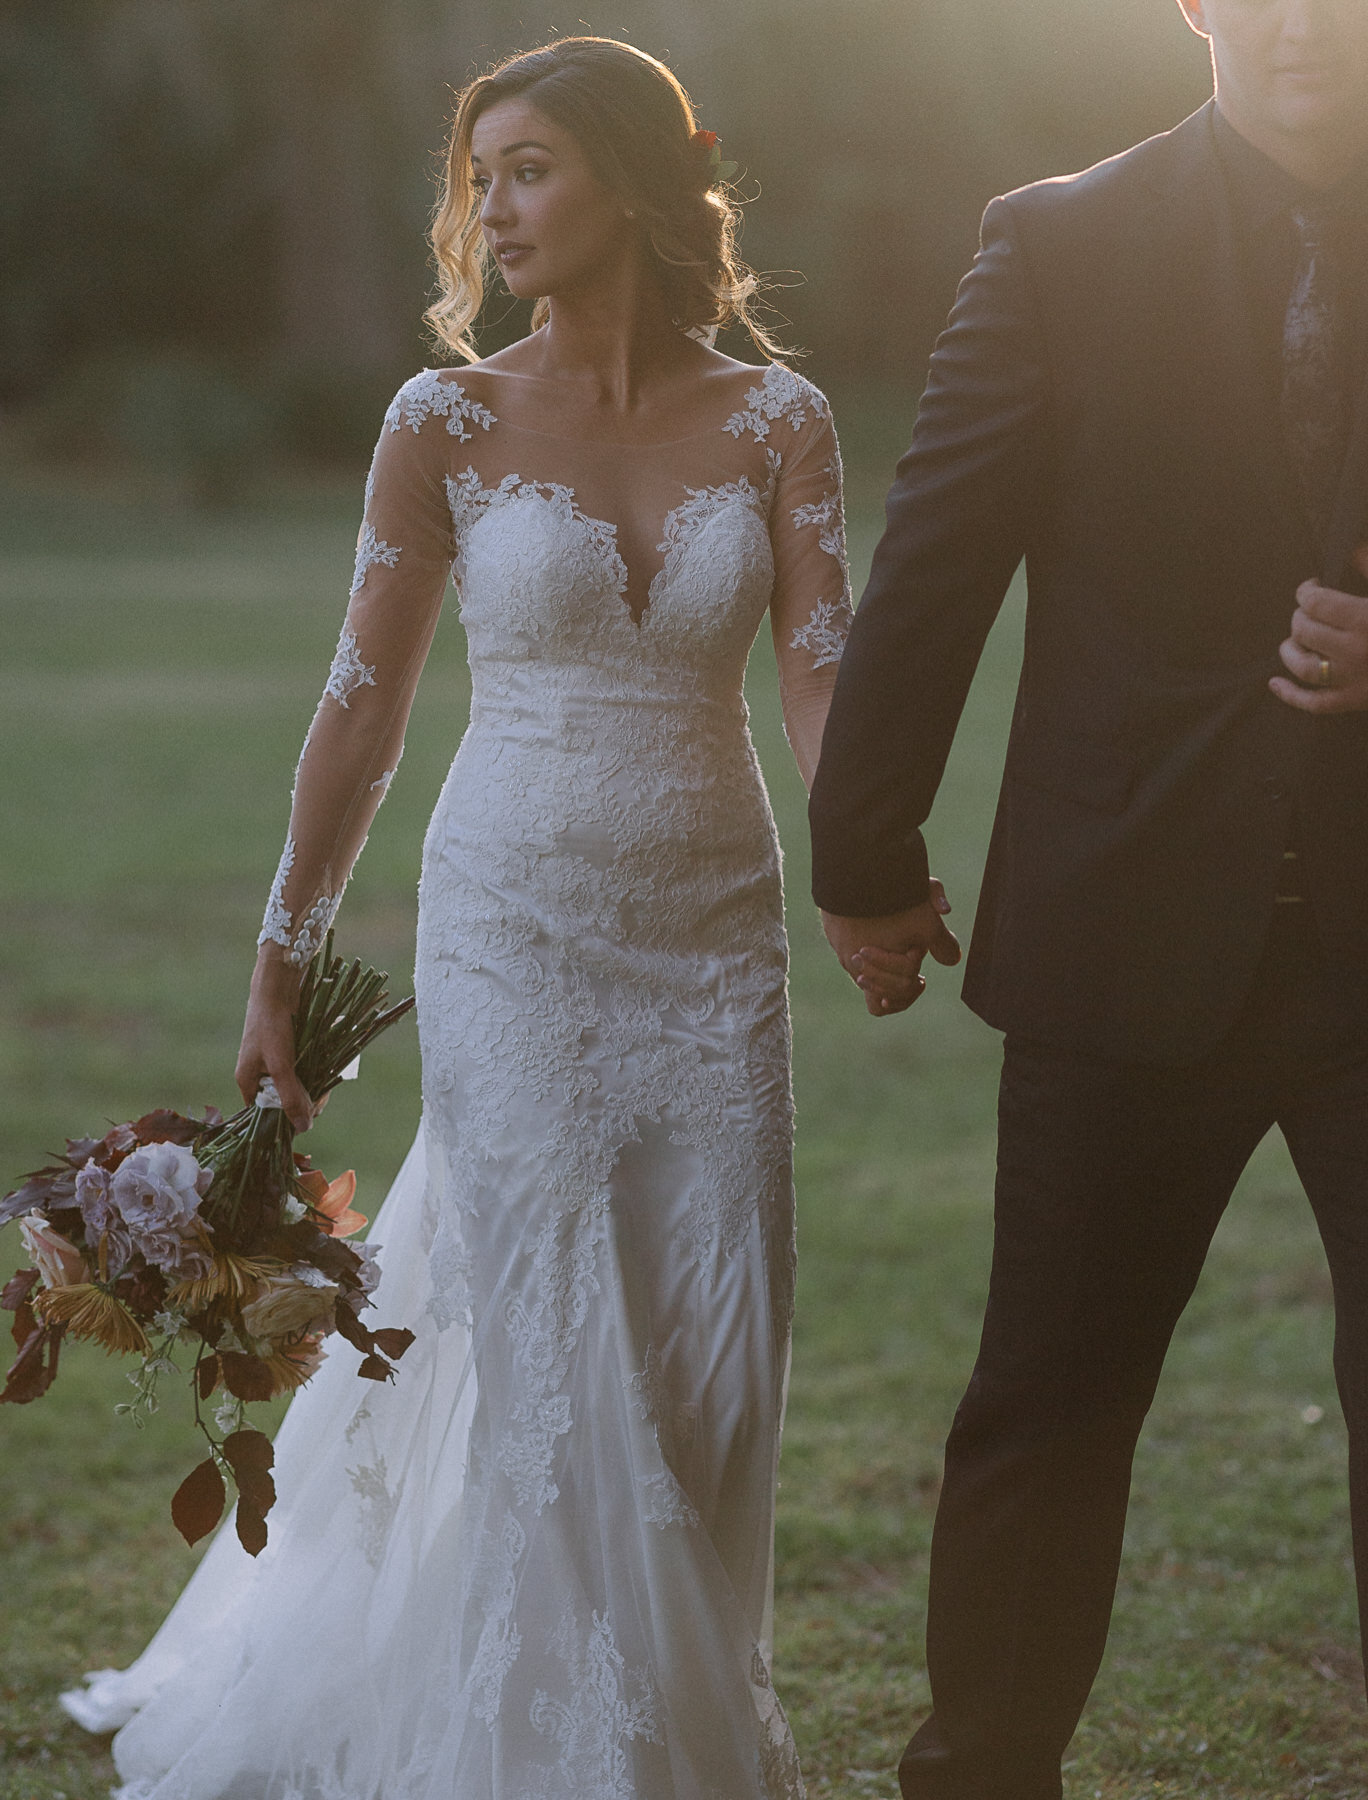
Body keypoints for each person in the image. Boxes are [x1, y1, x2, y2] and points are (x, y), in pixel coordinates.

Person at [60, 37, 853, 1800]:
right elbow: (361, 712)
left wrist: (872, 860)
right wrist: (282, 958)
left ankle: (671, 1685)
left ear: (638, 185)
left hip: (717, 933)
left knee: (715, 1334)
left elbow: (819, 685)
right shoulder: (446, 424)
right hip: (511, 924)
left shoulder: (782, 422)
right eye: (481, 173)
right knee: (555, 1321)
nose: (494, 205)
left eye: (535, 168)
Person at [808, 1, 1368, 1796]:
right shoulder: (1056, 240)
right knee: (1046, 1412)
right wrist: (868, 863)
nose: (1303, 25)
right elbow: (938, 562)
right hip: (1120, 926)